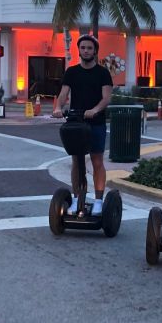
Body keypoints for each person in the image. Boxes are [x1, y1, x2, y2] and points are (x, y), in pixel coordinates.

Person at [52, 34, 113, 215]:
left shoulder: (103, 73)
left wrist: (95, 110)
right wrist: (57, 108)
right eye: (83, 48)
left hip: (96, 123)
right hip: (76, 122)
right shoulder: (72, 72)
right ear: (79, 50)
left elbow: (106, 98)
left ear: (95, 51)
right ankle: (77, 198)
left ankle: (99, 200)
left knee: (96, 161)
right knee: (76, 161)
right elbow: (63, 94)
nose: (86, 51)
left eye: (89, 48)